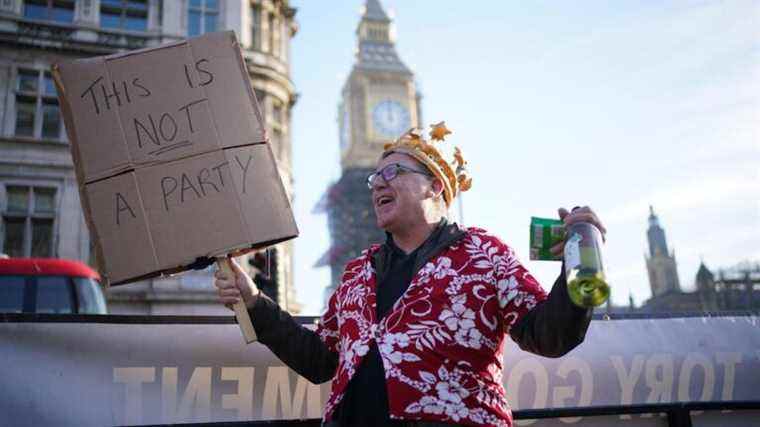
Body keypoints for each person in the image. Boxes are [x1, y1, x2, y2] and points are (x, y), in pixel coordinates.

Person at [215, 122, 606, 427]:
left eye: (394, 172)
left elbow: (550, 335)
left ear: (435, 186)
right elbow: (320, 360)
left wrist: (577, 264)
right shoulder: (356, 273)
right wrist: (253, 301)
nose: (377, 184)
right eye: (374, 178)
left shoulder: (484, 253)